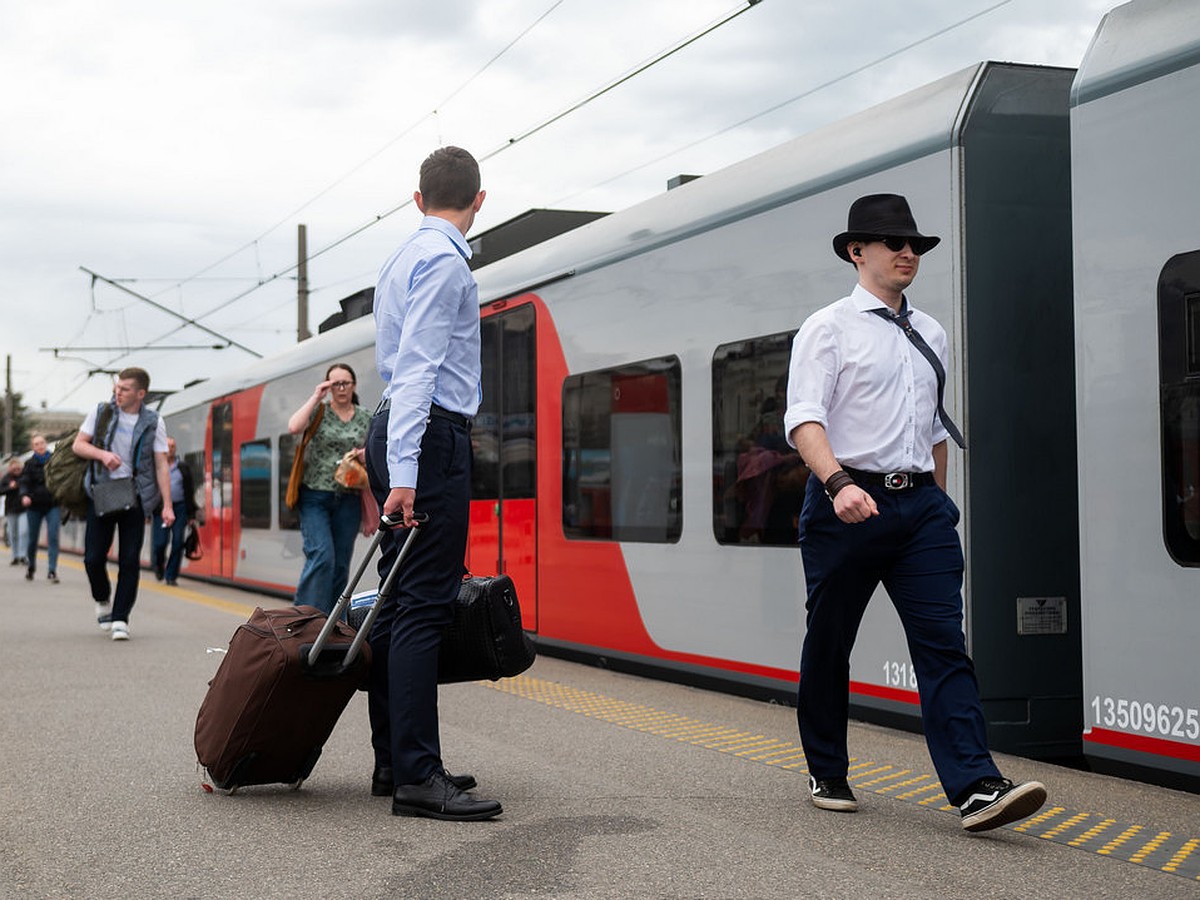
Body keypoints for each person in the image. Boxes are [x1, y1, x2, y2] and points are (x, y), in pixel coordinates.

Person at [783, 193, 1047, 833]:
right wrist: (839, 482)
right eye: (893, 244)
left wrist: (937, 498)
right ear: (857, 252)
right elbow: (803, 420)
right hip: (846, 502)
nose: (908, 254)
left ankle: (976, 786)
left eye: (915, 247)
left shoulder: (931, 333)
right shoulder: (828, 328)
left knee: (944, 645)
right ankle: (827, 767)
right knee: (830, 642)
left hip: (920, 509)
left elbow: (931, 427)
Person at [363, 146, 501, 821]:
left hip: (393, 427)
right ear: (480, 201)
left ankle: (396, 761)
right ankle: (419, 777)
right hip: (428, 436)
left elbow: (397, 365)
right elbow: (419, 367)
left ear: (418, 199)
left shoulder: (400, 257)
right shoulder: (447, 264)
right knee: (422, 604)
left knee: (395, 603)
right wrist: (410, 473)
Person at [73, 368, 173, 642]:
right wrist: (103, 455)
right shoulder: (102, 412)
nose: (118, 392)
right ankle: (102, 597)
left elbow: (161, 463)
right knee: (93, 558)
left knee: (129, 560)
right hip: (102, 492)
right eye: (117, 387)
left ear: (141, 394)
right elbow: (78, 445)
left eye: (125, 389)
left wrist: (167, 505)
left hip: (136, 495)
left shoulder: (154, 421)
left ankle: (120, 618)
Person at [287, 362, 370, 615]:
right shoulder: (319, 412)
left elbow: (379, 449)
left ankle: (333, 624)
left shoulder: (366, 416)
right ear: (328, 386)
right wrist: (316, 396)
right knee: (322, 556)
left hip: (349, 497)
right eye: (335, 383)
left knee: (341, 564)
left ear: (354, 385)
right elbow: (293, 427)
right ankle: (305, 620)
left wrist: (366, 454)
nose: (341, 388)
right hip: (315, 496)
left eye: (345, 382)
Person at [151, 437, 199, 586]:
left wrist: (191, 514)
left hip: (180, 508)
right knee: (160, 543)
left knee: (178, 542)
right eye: (167, 446)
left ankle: (171, 575)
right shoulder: (156, 467)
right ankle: (158, 566)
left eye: (173, 446)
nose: (170, 449)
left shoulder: (183, 468)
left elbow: (190, 491)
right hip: (161, 509)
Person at [19, 434, 61, 583]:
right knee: (32, 539)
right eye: (36, 444)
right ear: (33, 447)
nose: (40, 446)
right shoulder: (29, 464)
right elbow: (24, 482)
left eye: (42, 443)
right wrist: (24, 495)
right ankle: (31, 567)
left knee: (53, 537)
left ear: (46, 444)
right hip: (34, 506)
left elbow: (61, 479)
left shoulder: (55, 460)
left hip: (53, 504)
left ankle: (52, 570)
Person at [3, 457, 27, 567]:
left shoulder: (25, 477)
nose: (16, 469)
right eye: (14, 467)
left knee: (23, 531)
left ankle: (23, 555)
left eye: (18, 467)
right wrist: (10, 487)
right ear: (10, 468)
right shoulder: (6, 478)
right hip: (11, 510)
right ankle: (15, 556)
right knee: (12, 533)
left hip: (23, 509)